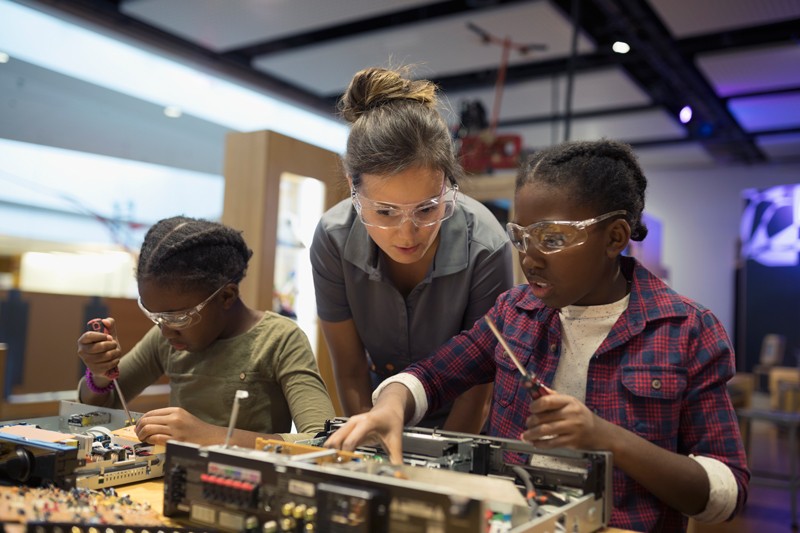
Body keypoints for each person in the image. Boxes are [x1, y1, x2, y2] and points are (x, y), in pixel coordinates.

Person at [325, 139, 750, 532]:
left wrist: (606, 438)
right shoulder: (515, 313)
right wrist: (392, 403)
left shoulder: (685, 330)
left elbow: (726, 492)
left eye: (551, 238)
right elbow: (432, 376)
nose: (529, 259)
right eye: (521, 238)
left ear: (615, 237)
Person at [310, 66, 514, 431]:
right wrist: (369, 450)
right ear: (352, 187)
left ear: (448, 184)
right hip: (376, 408)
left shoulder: (486, 245)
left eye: (427, 209)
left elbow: (478, 389)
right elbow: (351, 370)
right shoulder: (333, 238)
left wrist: (438, 474)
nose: (407, 234)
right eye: (385, 212)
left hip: (465, 422)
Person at [77, 216, 336, 447]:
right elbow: (99, 408)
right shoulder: (165, 339)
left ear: (226, 296)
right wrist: (100, 375)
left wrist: (212, 436)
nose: (166, 331)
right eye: (154, 316)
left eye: (178, 317)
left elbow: (322, 439)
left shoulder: (279, 339)